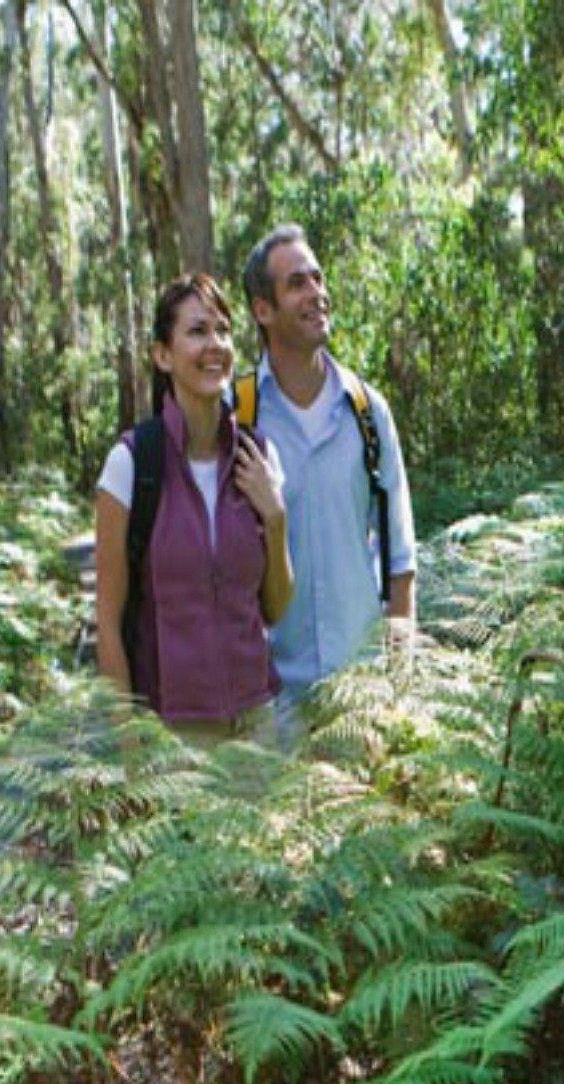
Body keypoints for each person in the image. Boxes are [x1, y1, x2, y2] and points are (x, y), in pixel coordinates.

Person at [94, 273, 293, 744]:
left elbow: (277, 608)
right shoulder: (132, 464)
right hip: (173, 738)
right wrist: (130, 747)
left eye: (223, 331)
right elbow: (107, 620)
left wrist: (276, 518)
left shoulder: (259, 458)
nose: (216, 345)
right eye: (197, 331)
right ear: (163, 355)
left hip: (256, 727)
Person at [236, 226, 416, 725]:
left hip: (362, 698)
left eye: (318, 278)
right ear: (263, 309)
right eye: (297, 283)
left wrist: (398, 686)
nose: (317, 293)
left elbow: (400, 560)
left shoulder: (367, 413)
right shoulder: (238, 417)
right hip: (270, 707)